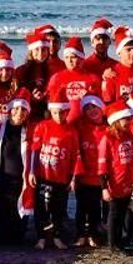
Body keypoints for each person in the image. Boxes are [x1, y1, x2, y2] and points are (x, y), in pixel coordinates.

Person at [100, 101, 133, 252]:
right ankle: (113, 244)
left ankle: (120, 240)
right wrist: (104, 187)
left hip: (128, 181)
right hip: (114, 182)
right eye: (127, 119)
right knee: (114, 213)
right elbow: (102, 165)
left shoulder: (128, 135)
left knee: (124, 212)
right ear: (117, 120)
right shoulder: (107, 138)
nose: (130, 122)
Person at [30, 99, 80, 250]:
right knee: (41, 208)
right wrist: (32, 171)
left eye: (62, 113)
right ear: (51, 112)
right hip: (44, 175)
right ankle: (41, 238)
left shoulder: (71, 131)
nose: (58, 116)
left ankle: (57, 236)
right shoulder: (43, 126)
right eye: (55, 113)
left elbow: (76, 156)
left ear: (67, 112)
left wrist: (73, 178)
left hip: (62, 177)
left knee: (58, 208)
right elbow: (35, 150)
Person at [0, 97, 33, 244]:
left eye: (23, 110)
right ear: (9, 111)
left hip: (21, 181)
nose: (19, 113)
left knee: (17, 237)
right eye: (16, 109)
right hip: (1, 179)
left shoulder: (31, 131)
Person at [72, 95, 108, 247]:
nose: (91, 111)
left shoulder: (109, 128)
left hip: (101, 176)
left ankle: (94, 234)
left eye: (94, 107)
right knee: (81, 207)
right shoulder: (80, 127)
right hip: (83, 175)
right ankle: (81, 235)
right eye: (87, 109)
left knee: (95, 209)